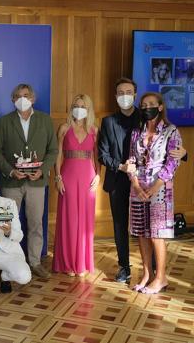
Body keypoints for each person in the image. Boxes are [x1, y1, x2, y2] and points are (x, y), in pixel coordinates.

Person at [98, 78, 186, 283]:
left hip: (149, 182)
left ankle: (155, 269)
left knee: (151, 227)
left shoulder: (146, 116)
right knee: (121, 225)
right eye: (120, 92)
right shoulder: (108, 121)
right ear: (115, 96)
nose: (124, 96)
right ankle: (124, 267)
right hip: (120, 180)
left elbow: (168, 147)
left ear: (135, 94)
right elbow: (102, 154)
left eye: (128, 92)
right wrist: (121, 166)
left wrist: (184, 153)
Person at [0, 83, 58, 279]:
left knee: (36, 223)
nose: (22, 99)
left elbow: (53, 150)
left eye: (26, 95)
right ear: (13, 100)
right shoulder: (4, 122)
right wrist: (10, 171)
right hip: (12, 182)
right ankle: (8, 261)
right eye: (18, 96)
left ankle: (35, 261)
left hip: (36, 182)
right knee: (7, 223)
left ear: (33, 98)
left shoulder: (45, 121)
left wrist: (42, 170)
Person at [127, 92, 182, 294]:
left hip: (160, 191)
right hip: (138, 190)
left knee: (157, 235)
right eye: (143, 104)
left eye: (151, 104)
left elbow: (172, 163)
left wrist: (154, 187)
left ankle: (161, 278)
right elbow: (131, 160)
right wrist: (136, 184)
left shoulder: (171, 130)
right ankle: (147, 274)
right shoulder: (136, 132)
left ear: (160, 107)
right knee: (142, 233)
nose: (147, 107)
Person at [52, 94, 100, 276]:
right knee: (69, 218)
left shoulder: (94, 130)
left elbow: (97, 156)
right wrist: (58, 177)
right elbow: (58, 155)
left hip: (88, 176)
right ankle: (67, 262)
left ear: (89, 110)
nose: (79, 108)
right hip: (68, 176)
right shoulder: (64, 128)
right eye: (76, 105)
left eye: (83, 106)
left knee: (85, 220)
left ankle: (82, 262)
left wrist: (98, 175)